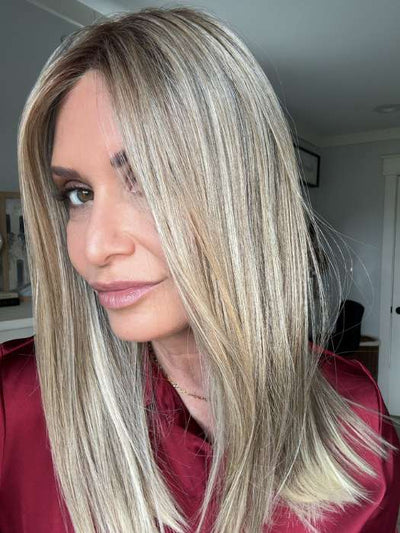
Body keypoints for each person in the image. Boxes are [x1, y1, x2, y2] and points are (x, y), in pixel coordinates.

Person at [1, 6, 399, 533]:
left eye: (149, 180)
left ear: (243, 195)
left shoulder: (356, 416)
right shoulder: (14, 406)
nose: (94, 246)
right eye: (78, 194)